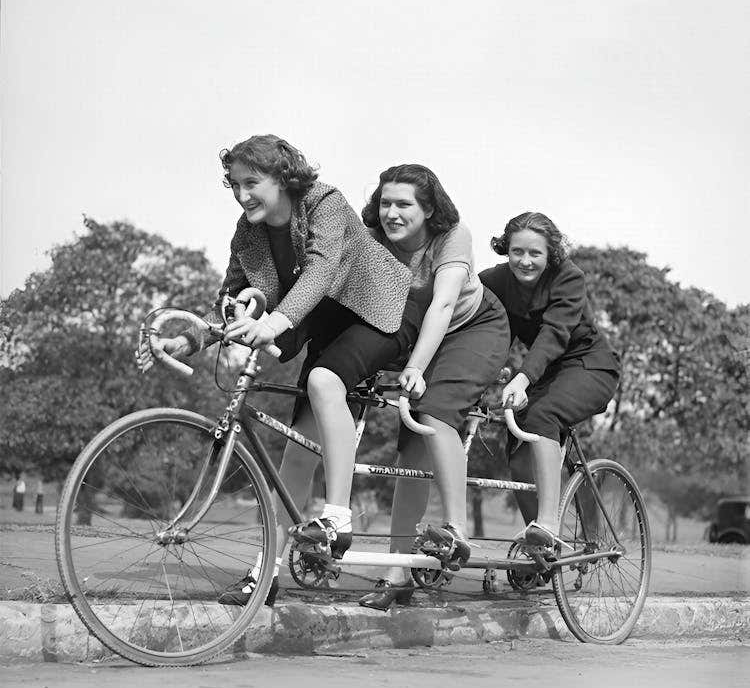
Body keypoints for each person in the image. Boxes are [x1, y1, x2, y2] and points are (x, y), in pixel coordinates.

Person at [136, 134, 419, 605]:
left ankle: (338, 518)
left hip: (378, 313)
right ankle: (264, 573)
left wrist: (279, 321)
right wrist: (187, 341)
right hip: (322, 322)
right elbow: (229, 303)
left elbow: (323, 269)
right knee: (297, 453)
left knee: (322, 379)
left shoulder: (323, 201)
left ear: (283, 178)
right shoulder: (247, 233)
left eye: (252, 182)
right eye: (234, 184)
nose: (242, 194)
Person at [357, 164, 510, 610]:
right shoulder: (375, 240)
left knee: (435, 411)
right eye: (385, 203)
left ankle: (455, 530)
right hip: (426, 330)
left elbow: (443, 304)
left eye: (403, 204)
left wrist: (417, 367)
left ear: (428, 209)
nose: (392, 212)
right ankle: (397, 570)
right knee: (412, 447)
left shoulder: (453, 235)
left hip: (473, 327)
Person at [479, 212, 620, 547]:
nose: (524, 261)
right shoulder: (494, 281)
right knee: (516, 444)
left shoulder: (568, 277)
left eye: (535, 254)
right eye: (517, 252)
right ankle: (539, 542)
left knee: (543, 416)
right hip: (548, 372)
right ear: (506, 249)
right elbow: (491, 330)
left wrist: (523, 378)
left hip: (590, 365)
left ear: (550, 254)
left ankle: (547, 524)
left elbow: (555, 334)